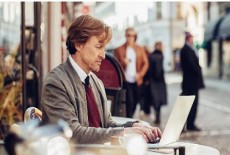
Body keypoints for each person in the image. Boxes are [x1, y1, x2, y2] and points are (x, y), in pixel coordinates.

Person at [41, 15, 161, 145]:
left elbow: (106, 125)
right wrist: (125, 133)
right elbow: (73, 134)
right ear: (78, 44)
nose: (103, 55)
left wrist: (133, 126)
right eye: (98, 46)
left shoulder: (95, 82)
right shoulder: (56, 83)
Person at [114, 27, 149, 118]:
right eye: (128, 35)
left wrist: (140, 74)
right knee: (130, 101)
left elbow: (146, 63)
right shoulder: (119, 49)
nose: (130, 37)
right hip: (126, 80)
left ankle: (129, 117)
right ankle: (128, 119)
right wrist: (123, 62)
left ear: (135, 37)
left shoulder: (140, 49)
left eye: (133, 35)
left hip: (137, 80)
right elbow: (115, 66)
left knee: (136, 101)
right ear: (125, 36)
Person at [180, 31, 205, 131]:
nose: (193, 40)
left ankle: (190, 124)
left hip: (192, 82)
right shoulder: (186, 50)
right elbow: (191, 66)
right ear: (188, 39)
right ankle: (187, 125)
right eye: (191, 38)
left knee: (192, 104)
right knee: (189, 105)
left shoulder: (190, 49)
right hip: (190, 83)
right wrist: (199, 69)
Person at [147, 41, 167, 124]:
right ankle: (157, 117)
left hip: (152, 81)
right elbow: (158, 71)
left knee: (154, 99)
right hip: (158, 82)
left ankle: (156, 116)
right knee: (158, 100)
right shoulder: (159, 56)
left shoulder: (151, 55)